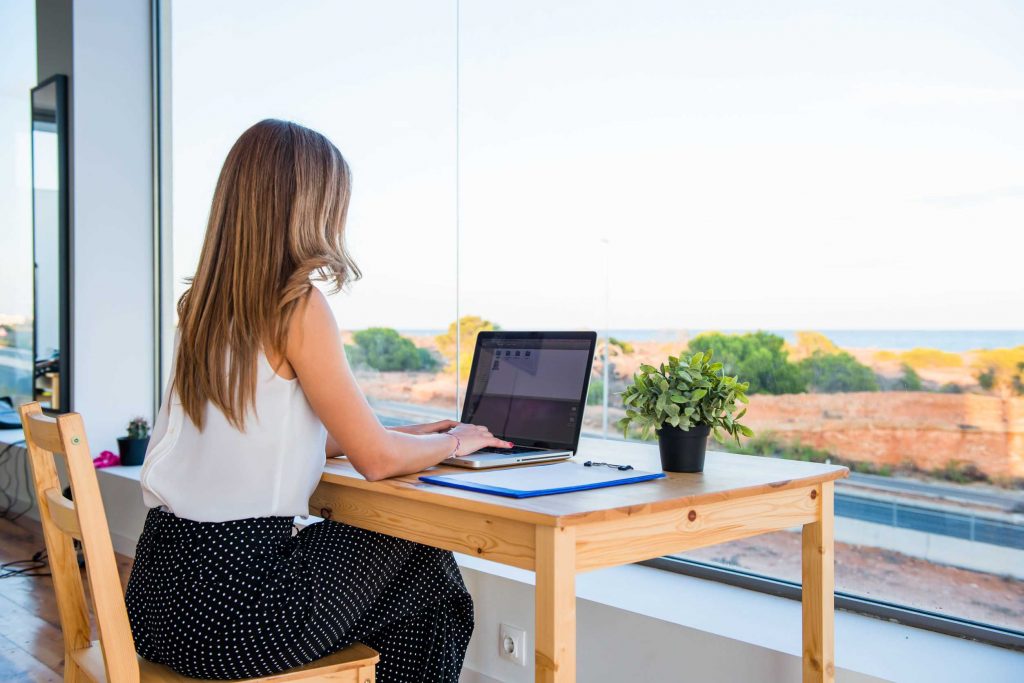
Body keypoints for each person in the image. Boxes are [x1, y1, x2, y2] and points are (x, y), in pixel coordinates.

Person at [125, 119, 511, 682]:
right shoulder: (296, 307)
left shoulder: (200, 307)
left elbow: (261, 431)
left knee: (414, 587)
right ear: (309, 206)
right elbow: (376, 462)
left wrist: (407, 437)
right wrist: (457, 440)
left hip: (159, 598)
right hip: (235, 612)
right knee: (426, 561)